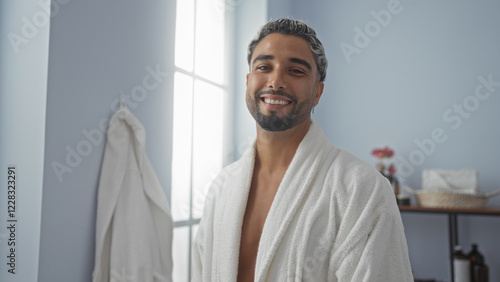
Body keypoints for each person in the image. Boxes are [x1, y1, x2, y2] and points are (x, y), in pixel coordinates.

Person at [192, 18, 413, 282]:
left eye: (295, 71)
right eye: (264, 67)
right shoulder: (222, 188)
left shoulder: (361, 189)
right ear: (248, 81)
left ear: (317, 92)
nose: (276, 82)